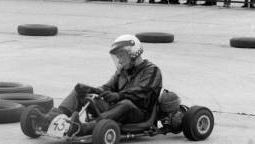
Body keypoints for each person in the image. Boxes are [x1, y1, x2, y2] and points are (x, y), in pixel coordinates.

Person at [34, 34, 162, 136]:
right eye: (118, 57)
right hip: (117, 108)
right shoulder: (122, 72)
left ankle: (83, 128)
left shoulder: (152, 70)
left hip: (140, 115)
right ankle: (50, 119)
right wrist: (91, 90)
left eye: (121, 56)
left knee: (126, 103)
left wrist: (118, 96)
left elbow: (143, 92)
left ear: (133, 53)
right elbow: (107, 87)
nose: (120, 61)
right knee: (81, 93)